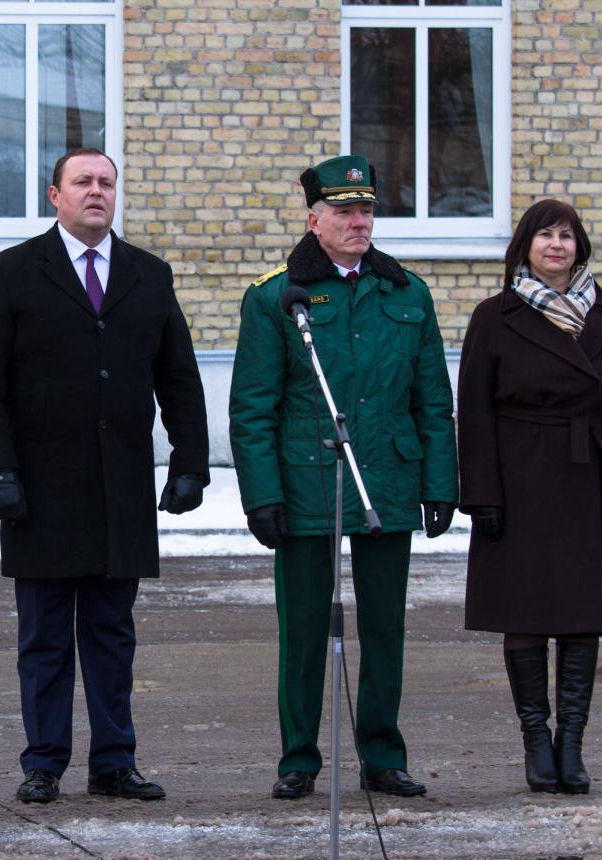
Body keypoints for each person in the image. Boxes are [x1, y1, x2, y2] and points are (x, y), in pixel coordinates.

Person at [0, 148, 209, 804]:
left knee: (111, 635)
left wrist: (190, 463)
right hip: (39, 491)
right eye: (83, 182)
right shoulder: (12, 273)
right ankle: (43, 762)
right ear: (55, 195)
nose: (96, 192)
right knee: (44, 638)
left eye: (106, 183)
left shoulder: (148, 276)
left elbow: (178, 378)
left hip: (119, 488)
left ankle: (114, 762)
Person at [229, 155, 457, 800]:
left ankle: (382, 755)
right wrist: (262, 495)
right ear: (314, 218)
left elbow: (432, 398)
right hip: (306, 480)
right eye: (344, 211)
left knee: (385, 627)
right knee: (302, 628)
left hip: (388, 474)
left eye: (366, 210)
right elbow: (252, 407)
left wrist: (441, 481)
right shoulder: (276, 296)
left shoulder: (406, 292)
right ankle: (298, 759)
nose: (359, 222)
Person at [457, 199, 602, 795]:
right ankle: (535, 741)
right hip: (520, 477)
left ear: (580, 248)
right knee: (524, 612)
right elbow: (474, 410)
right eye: (545, 235)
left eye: (567, 236)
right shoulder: (496, 316)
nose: (557, 246)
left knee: (580, 614)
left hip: (590, 476)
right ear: (525, 246)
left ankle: (572, 742)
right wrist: (481, 492)